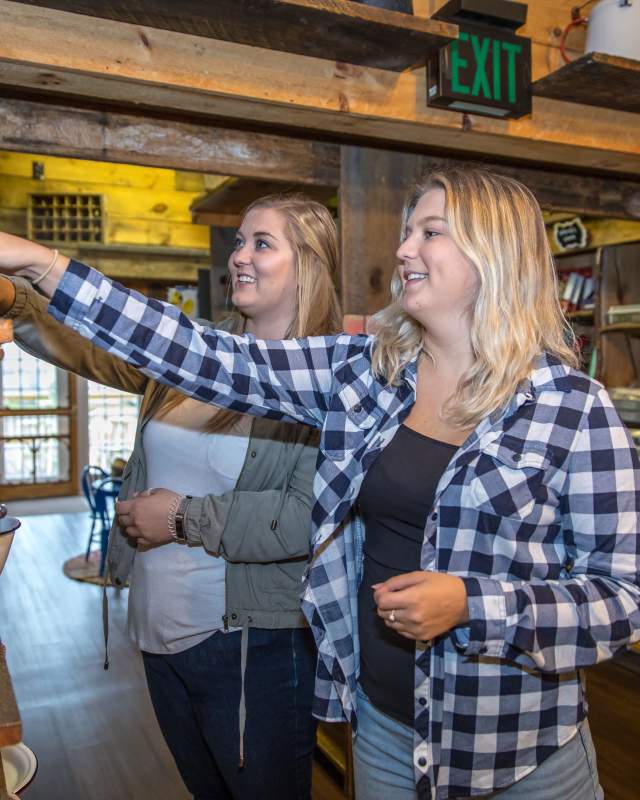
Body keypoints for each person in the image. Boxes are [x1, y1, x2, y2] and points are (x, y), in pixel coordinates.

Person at [2, 165, 639, 800]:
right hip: (385, 733)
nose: (403, 249)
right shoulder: (365, 372)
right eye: (406, 231)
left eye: (431, 232)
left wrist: (475, 605)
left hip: (518, 750)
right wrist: (40, 266)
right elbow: (196, 353)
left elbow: (623, 597)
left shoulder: (573, 408)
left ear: (493, 253)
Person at [0, 193, 342, 800]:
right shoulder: (194, 356)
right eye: (239, 241)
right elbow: (94, 343)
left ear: (310, 265)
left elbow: (304, 518)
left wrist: (182, 518)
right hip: (160, 639)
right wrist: (15, 300)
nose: (240, 256)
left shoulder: (328, 385)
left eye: (262, 243)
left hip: (250, 646)